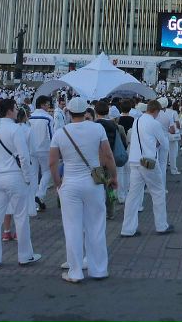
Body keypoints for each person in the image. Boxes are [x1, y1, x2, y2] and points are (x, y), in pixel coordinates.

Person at [49, 96, 118, 283]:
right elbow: (108, 155)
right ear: (87, 112)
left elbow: (53, 162)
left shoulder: (60, 132)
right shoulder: (97, 128)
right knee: (96, 225)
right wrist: (114, 176)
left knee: (72, 228)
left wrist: (57, 183)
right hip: (93, 183)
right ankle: (99, 269)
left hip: (70, 183)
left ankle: (76, 271)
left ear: (69, 112)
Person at [0, 98, 42, 269]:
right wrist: (27, 178)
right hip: (15, 177)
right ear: (9, 110)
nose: (17, 111)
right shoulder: (16, 130)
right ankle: (25, 256)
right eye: (15, 108)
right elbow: (24, 157)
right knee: (21, 217)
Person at [120, 99, 173, 237]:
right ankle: (161, 225)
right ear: (156, 111)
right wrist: (156, 145)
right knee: (158, 192)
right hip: (148, 162)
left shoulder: (137, 121)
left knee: (133, 195)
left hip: (134, 161)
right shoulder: (154, 123)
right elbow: (164, 143)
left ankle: (127, 229)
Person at [28, 95, 55, 211]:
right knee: (47, 171)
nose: (49, 106)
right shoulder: (48, 118)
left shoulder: (30, 117)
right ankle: (40, 195)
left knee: (33, 175)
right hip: (44, 148)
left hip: (31, 149)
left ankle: (33, 203)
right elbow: (51, 135)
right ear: (42, 105)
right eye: (47, 104)